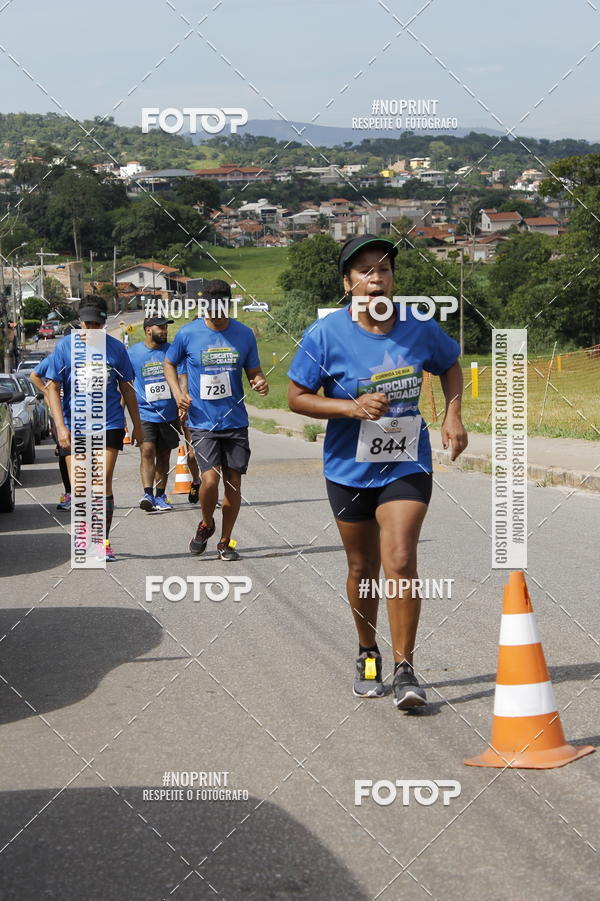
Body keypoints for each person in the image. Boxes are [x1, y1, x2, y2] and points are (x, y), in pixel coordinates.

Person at [287, 235, 468, 709]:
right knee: (361, 567)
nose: (376, 279)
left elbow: (450, 365)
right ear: (348, 284)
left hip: (406, 462)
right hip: (348, 469)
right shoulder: (325, 336)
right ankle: (368, 653)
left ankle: (406, 668)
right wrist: (350, 407)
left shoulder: (419, 327)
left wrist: (453, 416)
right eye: (364, 271)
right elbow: (296, 398)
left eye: (383, 270)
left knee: (401, 558)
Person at [164, 278, 269, 560]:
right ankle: (207, 523)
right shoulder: (188, 334)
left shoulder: (244, 334)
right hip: (202, 422)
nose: (216, 315)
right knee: (210, 480)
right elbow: (169, 363)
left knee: (233, 484)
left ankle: (225, 541)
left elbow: (254, 372)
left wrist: (260, 382)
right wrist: (177, 393)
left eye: (221, 309)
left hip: (235, 422)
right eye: (210, 309)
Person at [45, 295, 144, 561]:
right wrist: (60, 426)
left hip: (109, 423)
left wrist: (137, 425)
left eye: (97, 325)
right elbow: (52, 387)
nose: (92, 330)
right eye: (87, 324)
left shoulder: (116, 349)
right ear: (80, 322)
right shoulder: (66, 347)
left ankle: (102, 541)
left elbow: (127, 388)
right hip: (75, 426)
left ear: (104, 322)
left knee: (101, 483)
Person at [127, 315, 180, 512]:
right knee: (147, 450)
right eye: (161, 328)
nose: (165, 331)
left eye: (166, 328)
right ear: (148, 330)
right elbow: (126, 386)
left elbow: (181, 377)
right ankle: (147, 494)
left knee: (164, 454)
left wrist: (182, 406)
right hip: (144, 412)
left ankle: (160, 496)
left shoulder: (172, 351)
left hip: (169, 412)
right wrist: (124, 416)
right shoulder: (133, 353)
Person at [30, 353, 71, 510]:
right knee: (65, 451)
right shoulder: (55, 358)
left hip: (82, 411)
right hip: (60, 413)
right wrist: (47, 392)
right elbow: (34, 375)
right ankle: (70, 493)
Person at [177, 363, 201, 503]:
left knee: (208, 456)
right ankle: (196, 481)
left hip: (208, 413)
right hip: (190, 413)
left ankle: (210, 490)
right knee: (192, 455)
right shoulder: (182, 363)